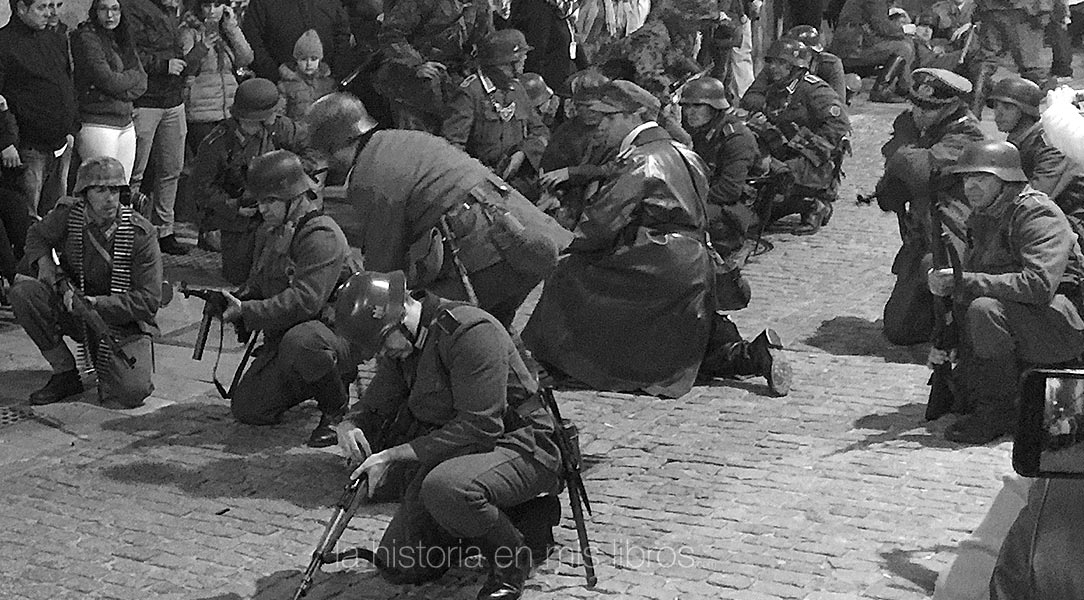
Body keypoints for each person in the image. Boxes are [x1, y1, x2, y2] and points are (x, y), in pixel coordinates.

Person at [332, 270, 561, 600]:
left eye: (382, 343)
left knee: (446, 488)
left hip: (521, 445)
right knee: (402, 563)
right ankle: (520, 518)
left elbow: (480, 427)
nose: (382, 353)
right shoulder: (404, 344)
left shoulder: (468, 332)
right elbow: (375, 402)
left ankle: (512, 561)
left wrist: (392, 455)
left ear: (398, 317)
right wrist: (349, 424)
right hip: (459, 452)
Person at [304, 92, 571, 329]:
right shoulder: (399, 139)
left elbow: (385, 257)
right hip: (525, 235)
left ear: (335, 145)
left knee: (433, 325)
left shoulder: (368, 176)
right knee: (492, 332)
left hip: (490, 252)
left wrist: (368, 306)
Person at [523, 80, 717, 398]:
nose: (601, 127)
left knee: (568, 272)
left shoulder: (642, 160)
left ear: (631, 117)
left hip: (660, 261)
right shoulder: (685, 153)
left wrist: (555, 239)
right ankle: (747, 354)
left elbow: (599, 225)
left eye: (608, 119)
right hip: (694, 262)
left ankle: (557, 362)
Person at [928, 140, 1084, 444]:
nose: (971, 186)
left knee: (983, 308)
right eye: (967, 179)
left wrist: (966, 281)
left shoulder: (1037, 214)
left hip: (1061, 326)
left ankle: (997, 412)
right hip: (1023, 317)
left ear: (1007, 180)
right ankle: (995, 400)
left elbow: (1038, 286)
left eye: (982, 179)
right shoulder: (986, 214)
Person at [220, 150, 354, 448]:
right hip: (290, 336)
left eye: (270, 201)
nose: (262, 209)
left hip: (332, 335)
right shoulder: (273, 232)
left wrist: (249, 310)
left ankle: (336, 409)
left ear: (295, 197)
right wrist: (235, 300)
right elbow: (259, 282)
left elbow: (306, 301)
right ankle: (312, 379)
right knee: (249, 409)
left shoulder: (321, 236)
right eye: (260, 201)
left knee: (303, 342)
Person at [8, 156, 161, 408]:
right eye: (101, 190)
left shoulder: (140, 235)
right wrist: (46, 265)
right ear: (85, 193)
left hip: (122, 321)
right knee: (24, 292)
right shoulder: (70, 215)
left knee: (133, 391)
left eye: (115, 190)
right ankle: (65, 372)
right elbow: (36, 235)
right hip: (74, 308)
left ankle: (107, 365)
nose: (110, 198)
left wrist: (97, 303)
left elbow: (149, 301)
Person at [878, 67, 984, 346]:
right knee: (898, 330)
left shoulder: (967, 135)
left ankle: (959, 315)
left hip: (956, 241)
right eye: (915, 105)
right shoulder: (925, 129)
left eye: (927, 108)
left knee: (938, 281)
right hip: (923, 236)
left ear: (952, 107)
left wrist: (900, 145)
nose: (918, 113)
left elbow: (920, 170)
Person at [191, 78, 309, 283]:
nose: (276, 116)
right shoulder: (218, 143)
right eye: (271, 113)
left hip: (279, 209)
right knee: (239, 278)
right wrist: (235, 206)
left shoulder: (280, 128)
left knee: (279, 274)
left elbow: (310, 150)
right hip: (240, 218)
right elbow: (202, 189)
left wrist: (291, 177)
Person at [740, 38, 851, 235]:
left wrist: (805, 149)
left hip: (815, 161)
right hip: (786, 151)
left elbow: (839, 124)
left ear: (794, 67)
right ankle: (779, 202)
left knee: (778, 175)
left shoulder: (814, 89)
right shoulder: (777, 88)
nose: (773, 67)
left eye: (780, 63)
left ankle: (814, 204)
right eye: (772, 62)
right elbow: (750, 101)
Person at [128, 0, 206, 256]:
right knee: (135, 172)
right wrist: (162, 66)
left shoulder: (172, 12)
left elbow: (177, 54)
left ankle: (165, 230)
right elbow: (129, 52)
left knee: (172, 168)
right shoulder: (132, 8)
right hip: (146, 100)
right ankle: (127, 230)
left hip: (173, 100)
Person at [441, 29, 549, 203]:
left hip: (517, 183)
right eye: (520, 56)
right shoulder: (470, 93)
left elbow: (540, 131)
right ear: (505, 62)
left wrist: (523, 153)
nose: (524, 60)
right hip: (479, 186)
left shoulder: (517, 89)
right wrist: (478, 174)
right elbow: (452, 146)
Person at [0, 0, 78, 219]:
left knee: (57, 215)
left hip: (61, 143)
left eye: (51, 6)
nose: (49, 13)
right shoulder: (4, 44)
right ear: (21, 8)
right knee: (28, 217)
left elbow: (67, 83)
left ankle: (54, 253)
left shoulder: (54, 39)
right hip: (27, 147)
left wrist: (72, 127)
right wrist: (5, 142)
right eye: (41, 7)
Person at [373, 0, 493, 132]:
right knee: (417, 139)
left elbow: (487, 41)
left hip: (454, 74)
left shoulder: (482, 5)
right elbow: (390, 35)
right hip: (411, 78)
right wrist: (417, 65)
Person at [988, 77, 1084, 231]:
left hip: (1069, 220)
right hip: (1044, 213)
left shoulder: (1050, 143)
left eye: (1007, 107)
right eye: (995, 106)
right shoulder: (1018, 140)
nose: (998, 114)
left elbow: (1041, 194)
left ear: (1025, 111)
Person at [678, 76, 759, 258]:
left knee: (681, 217)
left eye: (697, 106)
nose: (690, 112)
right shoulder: (702, 131)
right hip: (711, 197)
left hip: (734, 208)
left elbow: (730, 190)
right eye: (686, 106)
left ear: (715, 107)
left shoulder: (736, 138)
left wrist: (689, 199)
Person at [71, 0, 148, 182]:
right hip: (98, 123)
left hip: (125, 122)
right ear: (95, 11)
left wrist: (118, 88)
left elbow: (142, 81)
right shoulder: (86, 38)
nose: (110, 15)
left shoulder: (122, 38)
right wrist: (127, 81)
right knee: (101, 188)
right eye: (103, 9)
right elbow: (107, 80)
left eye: (115, 9)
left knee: (123, 189)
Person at [179, 0, 253, 152]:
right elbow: (186, 67)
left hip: (230, 109)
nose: (212, 11)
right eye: (207, 5)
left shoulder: (226, 31)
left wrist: (232, 28)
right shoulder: (189, 31)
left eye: (217, 5)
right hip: (202, 111)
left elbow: (246, 58)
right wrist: (203, 47)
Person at [968, 0, 1053, 117]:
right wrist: (1045, 7)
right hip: (1024, 9)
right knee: (1031, 66)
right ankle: (1033, 121)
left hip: (991, 8)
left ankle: (973, 114)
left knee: (986, 62)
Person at [241, 0, 351, 82]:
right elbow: (253, 42)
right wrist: (276, 76)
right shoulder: (262, 4)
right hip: (279, 89)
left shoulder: (331, 3)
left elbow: (342, 35)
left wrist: (332, 74)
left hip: (325, 85)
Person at [830, 0, 916, 103]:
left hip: (855, 43)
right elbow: (881, 26)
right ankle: (881, 91)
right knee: (903, 48)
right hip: (852, 49)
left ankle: (905, 88)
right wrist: (904, 29)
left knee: (905, 43)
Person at [276, 29, 337, 120]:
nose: (309, 64)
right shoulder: (285, 86)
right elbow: (280, 116)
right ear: (296, 60)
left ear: (319, 60)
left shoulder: (328, 84)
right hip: (297, 130)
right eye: (303, 59)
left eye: (313, 59)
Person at [786, 25, 847, 102]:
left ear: (813, 53)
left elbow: (838, 101)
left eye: (804, 52)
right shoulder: (781, 66)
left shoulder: (830, 64)